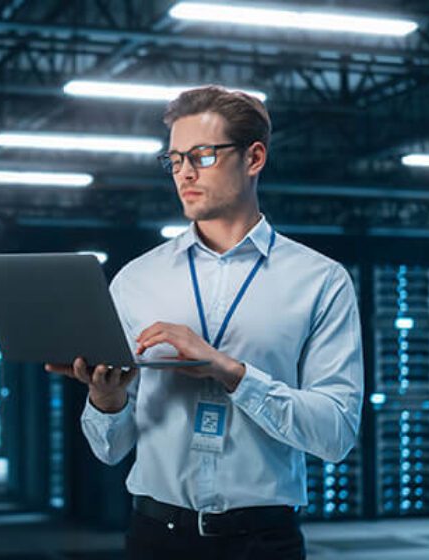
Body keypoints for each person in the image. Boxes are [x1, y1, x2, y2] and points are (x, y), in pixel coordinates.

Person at [45, 85, 363, 559]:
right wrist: (107, 400)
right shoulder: (136, 280)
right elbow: (110, 450)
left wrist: (230, 371)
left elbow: (335, 434)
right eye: (174, 160)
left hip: (263, 542)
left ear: (254, 158)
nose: (184, 173)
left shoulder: (321, 281)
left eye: (202, 155)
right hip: (156, 537)